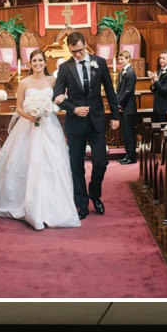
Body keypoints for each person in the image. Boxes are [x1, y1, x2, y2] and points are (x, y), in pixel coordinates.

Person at [0, 46, 80, 229]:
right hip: (28, 126)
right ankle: (25, 204)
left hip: (49, 127)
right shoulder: (24, 82)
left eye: (40, 60)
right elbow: (18, 108)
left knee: (52, 165)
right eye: (34, 61)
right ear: (30, 63)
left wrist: (51, 107)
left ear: (44, 62)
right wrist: (31, 116)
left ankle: (52, 206)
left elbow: (60, 99)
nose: (38, 63)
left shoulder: (53, 80)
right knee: (23, 164)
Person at [54, 33, 120, 220]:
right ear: (69, 49)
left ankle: (95, 194)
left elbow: (109, 90)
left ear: (86, 45)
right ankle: (81, 204)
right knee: (76, 167)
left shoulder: (99, 62)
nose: (77, 55)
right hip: (75, 125)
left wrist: (115, 115)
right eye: (74, 52)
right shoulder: (65, 68)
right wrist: (72, 109)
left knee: (101, 162)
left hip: (96, 121)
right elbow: (56, 95)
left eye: (80, 50)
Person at [116, 49, 138, 164]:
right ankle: (127, 155)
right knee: (125, 133)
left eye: (122, 59)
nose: (120, 61)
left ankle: (131, 157)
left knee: (129, 133)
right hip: (123, 107)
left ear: (128, 59)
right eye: (119, 59)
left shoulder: (130, 72)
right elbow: (119, 90)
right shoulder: (122, 72)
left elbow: (128, 91)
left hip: (128, 107)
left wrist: (120, 104)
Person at [150, 52, 167, 124]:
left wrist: (156, 80)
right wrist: (153, 84)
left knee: (165, 131)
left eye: (163, 58)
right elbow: (154, 89)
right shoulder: (159, 71)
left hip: (165, 108)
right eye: (160, 58)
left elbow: (164, 90)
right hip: (157, 107)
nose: (161, 60)